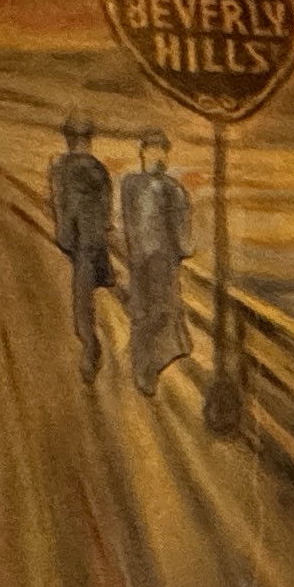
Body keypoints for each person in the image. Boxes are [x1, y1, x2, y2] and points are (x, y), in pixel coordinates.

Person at [116, 126, 195, 397]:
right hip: (151, 261)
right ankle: (147, 368)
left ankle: (146, 367)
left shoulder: (166, 188)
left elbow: (180, 232)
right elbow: (182, 238)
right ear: (144, 152)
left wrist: (180, 250)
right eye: (154, 150)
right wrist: (184, 250)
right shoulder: (163, 188)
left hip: (153, 260)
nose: (158, 156)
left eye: (161, 151)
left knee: (152, 313)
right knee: (152, 314)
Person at [47, 116, 114, 381]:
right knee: (84, 299)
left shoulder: (61, 167)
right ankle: (90, 347)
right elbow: (106, 211)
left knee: (82, 300)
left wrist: (65, 238)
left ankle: (89, 349)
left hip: (81, 243)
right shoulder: (98, 169)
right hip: (91, 242)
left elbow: (60, 204)